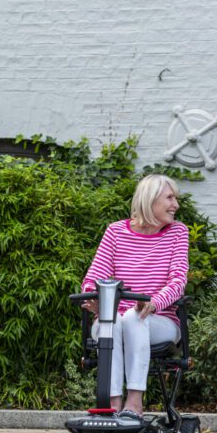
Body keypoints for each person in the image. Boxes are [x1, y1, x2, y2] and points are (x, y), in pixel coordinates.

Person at [81, 174, 189, 420]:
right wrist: (94, 301)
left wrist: (153, 302)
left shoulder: (177, 232)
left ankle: (135, 401)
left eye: (175, 198)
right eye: (170, 198)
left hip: (159, 319)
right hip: (113, 319)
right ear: (150, 200)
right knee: (116, 321)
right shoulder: (116, 232)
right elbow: (93, 277)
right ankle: (112, 402)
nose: (176, 205)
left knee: (132, 317)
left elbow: (178, 281)